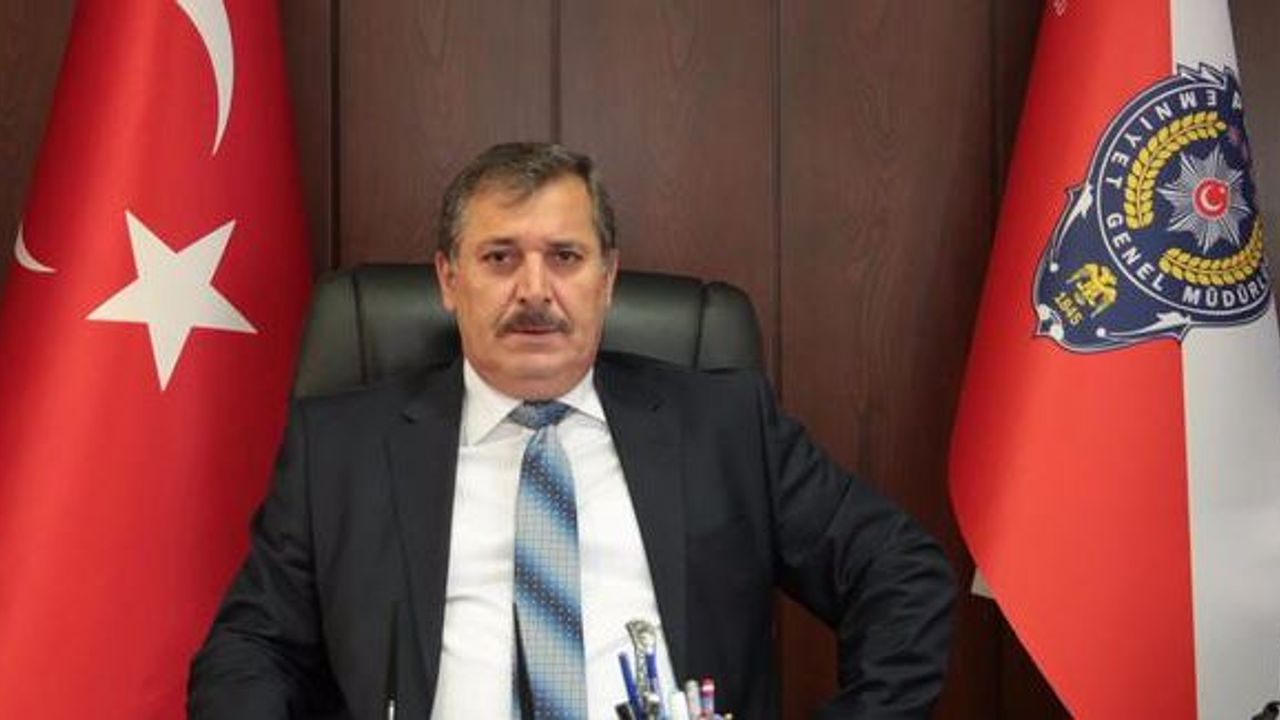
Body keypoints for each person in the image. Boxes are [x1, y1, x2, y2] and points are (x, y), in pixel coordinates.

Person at [188, 142, 955, 719]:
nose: (535, 290)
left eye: (565, 257)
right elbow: (250, 648)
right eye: (499, 258)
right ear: (449, 280)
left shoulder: (723, 427)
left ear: (607, 278)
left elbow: (901, 573)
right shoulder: (342, 449)